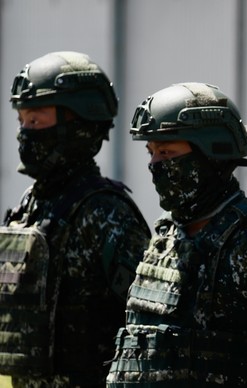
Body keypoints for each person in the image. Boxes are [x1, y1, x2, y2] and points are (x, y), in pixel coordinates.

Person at [106, 82, 247, 387]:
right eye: (152, 152)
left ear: (209, 154)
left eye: (167, 151)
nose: (154, 164)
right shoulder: (165, 235)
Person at [0, 51, 151, 387]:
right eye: (21, 121)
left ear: (79, 125)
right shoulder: (30, 205)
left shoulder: (106, 213)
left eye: (36, 121)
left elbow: (146, 329)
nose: (24, 134)